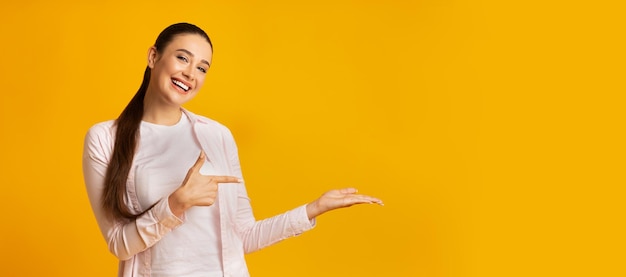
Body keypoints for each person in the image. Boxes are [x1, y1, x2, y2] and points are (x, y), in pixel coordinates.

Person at [82, 22, 383, 277]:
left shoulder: (217, 136)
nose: (190, 73)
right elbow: (118, 243)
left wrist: (312, 209)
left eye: (202, 67)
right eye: (183, 58)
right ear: (153, 56)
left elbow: (243, 236)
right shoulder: (105, 139)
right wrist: (175, 204)